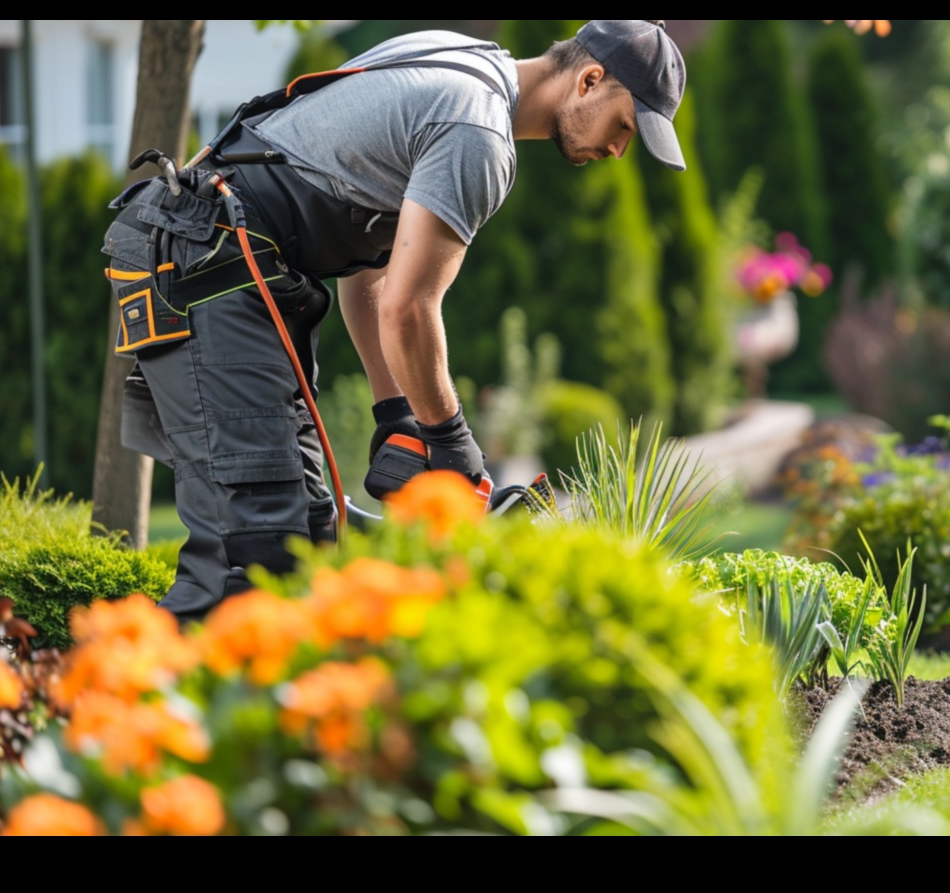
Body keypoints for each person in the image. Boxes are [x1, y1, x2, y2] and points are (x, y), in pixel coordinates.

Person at [106, 21, 688, 622]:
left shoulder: (461, 57)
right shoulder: (477, 132)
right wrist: (452, 445)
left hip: (223, 259)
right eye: (625, 126)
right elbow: (409, 308)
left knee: (310, 531)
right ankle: (116, 702)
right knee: (253, 555)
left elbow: (370, 269)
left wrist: (397, 414)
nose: (619, 150)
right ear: (590, 81)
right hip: (208, 261)